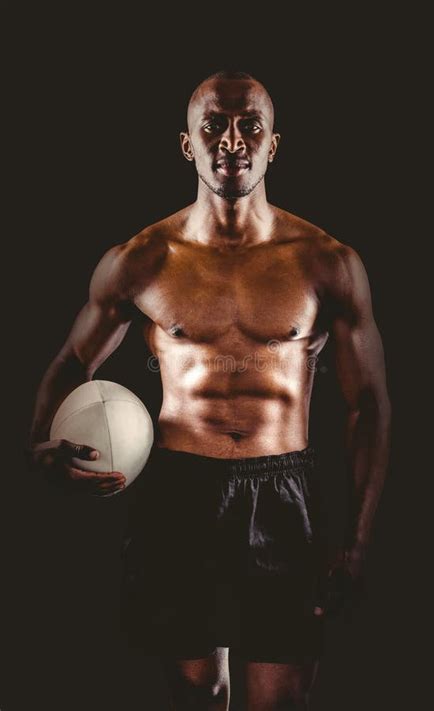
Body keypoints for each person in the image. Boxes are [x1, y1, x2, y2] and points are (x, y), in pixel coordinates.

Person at [27, 70, 392, 711]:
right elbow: (71, 360)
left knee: (277, 703)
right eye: (213, 125)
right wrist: (40, 442)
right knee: (199, 700)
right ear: (187, 145)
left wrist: (358, 542)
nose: (232, 140)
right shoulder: (142, 259)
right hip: (177, 496)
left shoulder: (325, 262)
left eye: (250, 124)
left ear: (273, 144)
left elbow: (369, 407)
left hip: (284, 495)